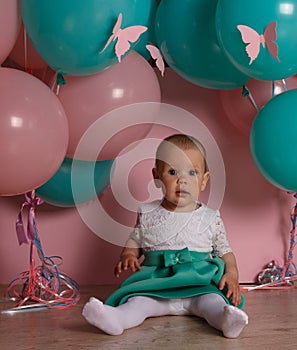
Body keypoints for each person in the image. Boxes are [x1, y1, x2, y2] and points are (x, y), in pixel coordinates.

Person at [82, 134, 248, 338]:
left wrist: (232, 275)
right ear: (157, 176)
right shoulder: (148, 213)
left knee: (212, 302)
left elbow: (226, 252)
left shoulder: (210, 217)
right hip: (156, 285)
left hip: (198, 284)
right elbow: (136, 240)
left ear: (204, 180)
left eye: (192, 172)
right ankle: (116, 319)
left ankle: (226, 321)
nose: (182, 179)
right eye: (172, 172)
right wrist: (129, 256)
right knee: (138, 303)